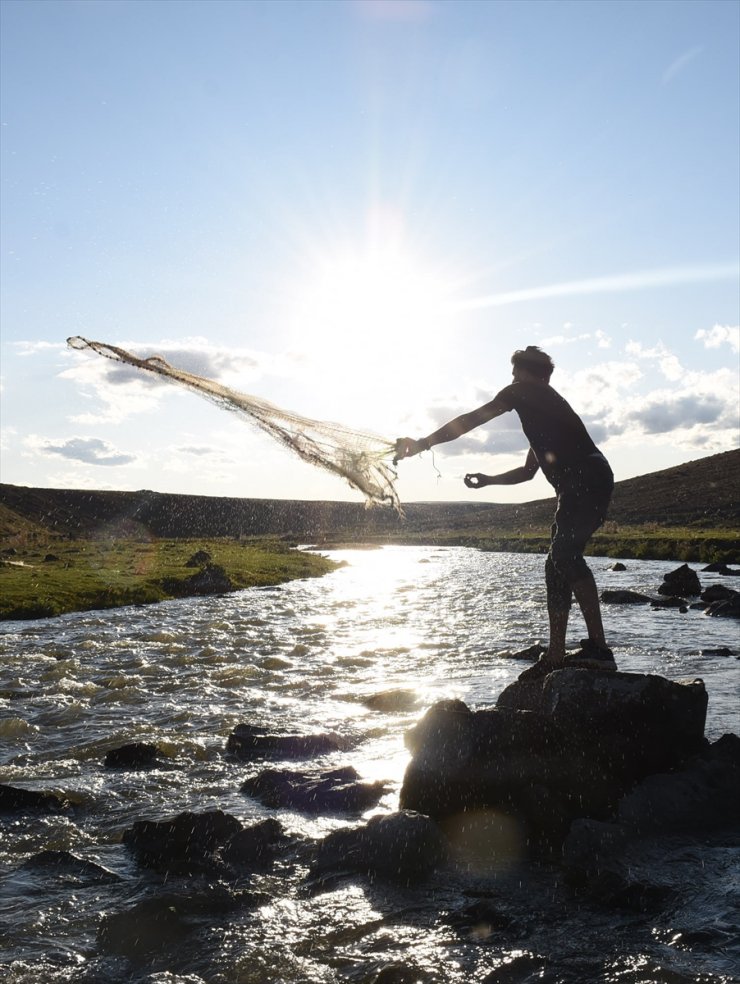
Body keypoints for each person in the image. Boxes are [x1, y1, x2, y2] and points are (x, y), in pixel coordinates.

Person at [394, 345, 616, 678]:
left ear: (526, 374)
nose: (511, 380)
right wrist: (488, 481)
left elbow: (472, 419)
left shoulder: (524, 392)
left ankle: (599, 650)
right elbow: (528, 473)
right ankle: (556, 653)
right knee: (556, 563)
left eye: (514, 373)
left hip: (586, 481)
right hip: (587, 482)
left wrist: (423, 443)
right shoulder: (546, 415)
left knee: (565, 557)